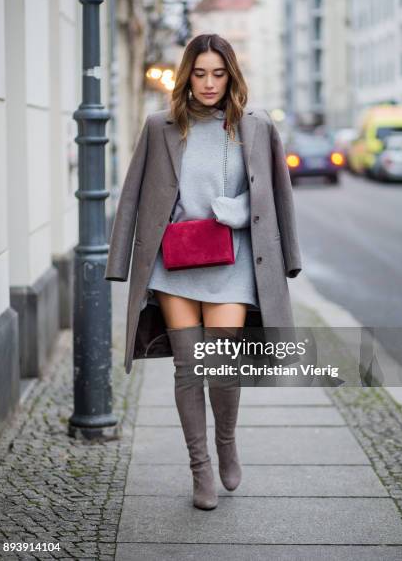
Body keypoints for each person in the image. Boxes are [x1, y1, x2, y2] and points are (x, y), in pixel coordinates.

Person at [105, 33, 302, 511]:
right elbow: (133, 193)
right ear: (186, 75)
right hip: (173, 263)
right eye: (200, 73)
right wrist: (119, 261)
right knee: (189, 367)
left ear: (231, 75)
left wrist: (243, 216)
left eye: (218, 73)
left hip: (232, 260)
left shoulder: (255, 127)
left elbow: (278, 192)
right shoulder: (161, 125)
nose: (209, 83)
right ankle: (200, 469)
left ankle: (227, 441)